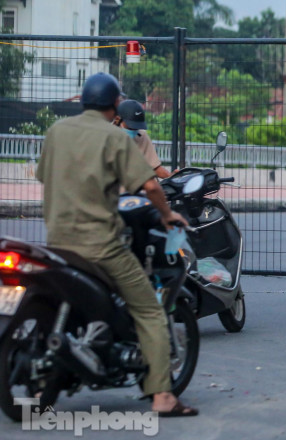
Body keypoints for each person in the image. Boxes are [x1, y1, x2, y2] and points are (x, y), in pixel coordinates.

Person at [36, 72, 198, 416]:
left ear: (82, 101)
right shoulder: (115, 138)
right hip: (100, 246)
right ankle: (163, 397)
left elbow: (43, 174)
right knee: (150, 310)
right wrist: (168, 216)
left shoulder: (56, 132)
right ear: (115, 106)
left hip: (56, 244)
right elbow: (151, 186)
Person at [114, 99, 171, 179]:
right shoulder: (106, 135)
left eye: (136, 127)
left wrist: (172, 177)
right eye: (131, 127)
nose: (134, 130)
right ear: (117, 120)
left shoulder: (141, 135)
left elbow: (155, 167)